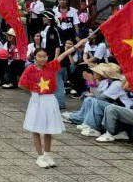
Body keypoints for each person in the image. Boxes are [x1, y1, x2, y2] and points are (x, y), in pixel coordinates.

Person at [20, 39, 86, 167]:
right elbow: (22, 84)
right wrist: (33, 90)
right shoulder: (30, 69)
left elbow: (63, 55)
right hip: (37, 100)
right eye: (39, 56)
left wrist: (76, 46)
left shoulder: (51, 66)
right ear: (35, 57)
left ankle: (47, 154)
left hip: (50, 99)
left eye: (45, 56)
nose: (42, 59)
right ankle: (39, 156)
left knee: (48, 129)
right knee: (36, 128)